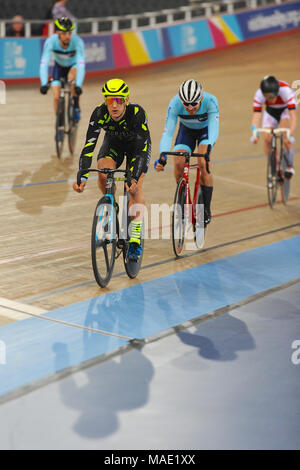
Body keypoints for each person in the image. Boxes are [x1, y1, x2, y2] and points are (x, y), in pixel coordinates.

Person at [72, 78, 151, 261]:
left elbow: (141, 148)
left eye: (118, 100)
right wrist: (82, 176)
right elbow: (89, 146)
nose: (114, 105)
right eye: (110, 100)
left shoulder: (137, 113)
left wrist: (134, 176)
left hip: (136, 149)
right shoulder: (99, 113)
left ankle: (136, 239)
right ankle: (111, 204)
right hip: (113, 145)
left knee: (135, 189)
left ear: (126, 100)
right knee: (103, 173)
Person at [155, 79, 219, 227]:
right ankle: (183, 199)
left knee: (203, 163)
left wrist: (207, 149)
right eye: (186, 104)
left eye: (194, 104)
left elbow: (214, 128)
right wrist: (163, 155)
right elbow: (168, 132)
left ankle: (206, 209)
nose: (190, 108)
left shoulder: (210, 101)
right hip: (187, 132)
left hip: (206, 132)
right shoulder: (175, 103)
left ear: (201, 99)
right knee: (178, 163)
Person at [39, 17, 85, 135]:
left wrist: (78, 85)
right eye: (64, 33)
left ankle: (76, 104)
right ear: (57, 33)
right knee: (56, 97)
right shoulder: (51, 41)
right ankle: (59, 123)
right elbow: (44, 62)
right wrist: (44, 83)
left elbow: (81, 63)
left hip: (73, 66)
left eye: (69, 33)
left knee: (71, 77)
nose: (67, 36)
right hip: (58, 68)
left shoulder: (77, 42)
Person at [251, 75, 297, 178]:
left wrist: (291, 132)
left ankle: (290, 166)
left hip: (285, 110)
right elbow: (256, 116)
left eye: (272, 97)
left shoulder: (286, 91)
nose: (269, 99)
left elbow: (293, 115)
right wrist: (255, 133)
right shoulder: (259, 94)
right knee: (267, 139)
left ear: (277, 92)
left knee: (286, 137)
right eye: (267, 97)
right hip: (271, 111)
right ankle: (274, 166)